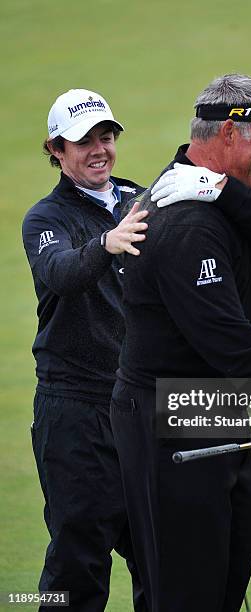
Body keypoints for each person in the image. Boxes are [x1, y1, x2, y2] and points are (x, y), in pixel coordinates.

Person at [110, 73, 251, 612]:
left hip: (213, 405)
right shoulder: (184, 220)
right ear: (231, 134)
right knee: (188, 592)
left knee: (225, 576)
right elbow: (225, 337)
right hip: (170, 416)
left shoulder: (226, 189)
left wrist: (224, 189)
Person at [22, 89, 150, 611]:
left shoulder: (141, 198)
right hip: (73, 409)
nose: (99, 149)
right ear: (55, 149)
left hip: (139, 404)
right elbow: (61, 273)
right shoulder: (45, 218)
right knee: (77, 562)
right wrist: (106, 243)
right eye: (82, 142)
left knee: (158, 553)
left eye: (106, 136)